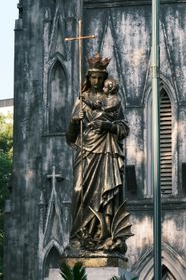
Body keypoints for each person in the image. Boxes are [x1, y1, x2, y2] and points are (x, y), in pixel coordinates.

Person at [66, 53, 131, 253]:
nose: (96, 80)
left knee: (106, 196)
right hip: (85, 151)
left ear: (105, 80)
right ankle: (79, 237)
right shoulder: (81, 101)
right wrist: (75, 121)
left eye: (99, 77)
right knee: (78, 190)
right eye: (93, 77)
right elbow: (70, 136)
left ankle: (103, 237)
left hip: (105, 152)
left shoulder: (112, 101)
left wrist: (108, 126)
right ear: (88, 78)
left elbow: (124, 128)